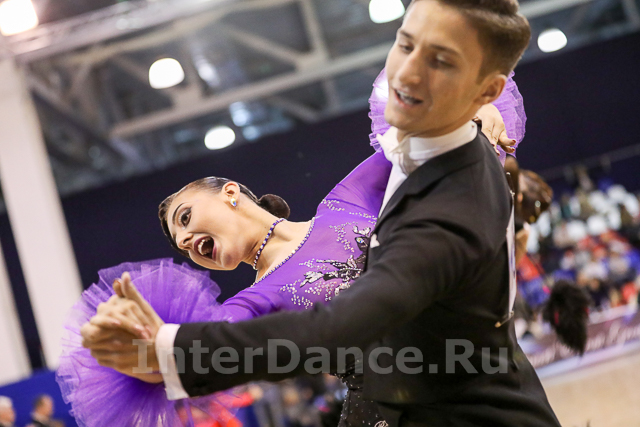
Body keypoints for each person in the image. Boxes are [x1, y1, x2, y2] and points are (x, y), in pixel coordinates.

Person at [82, 0, 561, 425]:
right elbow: (223, 346)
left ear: (229, 193)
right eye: (181, 244)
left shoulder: (350, 201)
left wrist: (472, 117)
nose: (187, 241)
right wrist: (153, 354)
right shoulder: (252, 301)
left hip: (462, 406)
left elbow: (418, 144)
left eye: (186, 218)